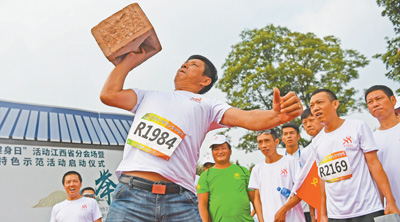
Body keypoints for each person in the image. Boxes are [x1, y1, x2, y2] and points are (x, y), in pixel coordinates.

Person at [100, 50, 303, 221]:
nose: (185, 65)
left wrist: (276, 116)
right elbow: (109, 94)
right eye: (184, 63)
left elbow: (248, 118)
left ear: (205, 80)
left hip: (179, 201)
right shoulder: (147, 96)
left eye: (193, 64)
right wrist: (130, 60)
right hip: (131, 194)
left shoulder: (208, 106)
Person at [308, 89, 400, 222]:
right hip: (336, 215)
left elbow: (374, 165)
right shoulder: (316, 142)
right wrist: (323, 213)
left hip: (367, 209)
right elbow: (323, 180)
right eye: (312, 105)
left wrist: (390, 201)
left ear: (335, 104)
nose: (316, 107)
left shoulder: (357, 126)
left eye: (320, 102)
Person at [250, 129, 305, 222]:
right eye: (260, 142)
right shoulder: (257, 169)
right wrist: (261, 220)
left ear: (276, 142)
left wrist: (283, 210)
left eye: (267, 140)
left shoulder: (290, 162)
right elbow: (257, 198)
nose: (264, 145)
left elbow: (302, 191)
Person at [197, 135, 254, 222]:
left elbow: (255, 200)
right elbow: (202, 205)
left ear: (230, 151)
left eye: (223, 148)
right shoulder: (205, 176)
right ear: (212, 153)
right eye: (216, 149)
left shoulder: (243, 171)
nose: (220, 151)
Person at [365, 85, 400, 209]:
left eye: (379, 99)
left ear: (393, 101)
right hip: (393, 206)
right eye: (370, 102)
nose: (375, 104)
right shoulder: (370, 140)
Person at [281, 122, 314, 221]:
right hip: (288, 210)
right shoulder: (279, 159)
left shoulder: (307, 155)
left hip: (307, 208)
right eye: (285, 134)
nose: (289, 136)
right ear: (282, 138)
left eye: (292, 133)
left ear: (298, 136)